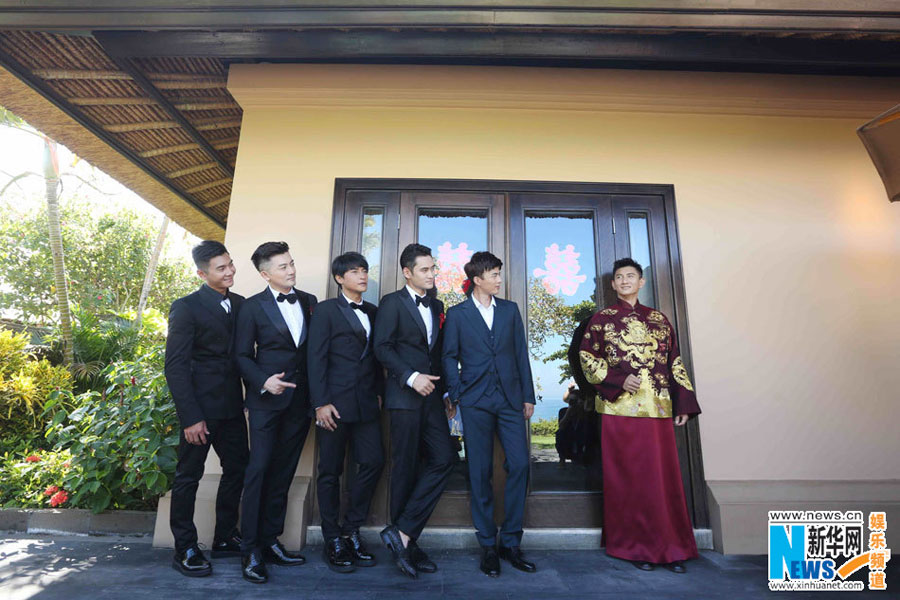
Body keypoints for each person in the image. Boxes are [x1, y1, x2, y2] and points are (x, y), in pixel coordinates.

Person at [579, 257, 701, 573]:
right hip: (620, 410)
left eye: (630, 276)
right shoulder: (601, 320)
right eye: (618, 277)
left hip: (658, 408)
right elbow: (586, 357)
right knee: (629, 480)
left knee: (662, 480)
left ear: (641, 282)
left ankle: (671, 547)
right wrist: (618, 379)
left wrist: (683, 403)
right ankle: (634, 547)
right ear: (612, 284)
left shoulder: (660, 320)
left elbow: (674, 361)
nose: (624, 281)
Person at [442, 251, 537, 578]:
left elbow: (521, 353)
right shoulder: (457, 314)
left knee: (520, 463)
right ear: (478, 279)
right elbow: (448, 356)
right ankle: (487, 545)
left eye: (499, 273)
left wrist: (528, 395)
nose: (499, 279)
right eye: (494, 274)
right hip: (475, 401)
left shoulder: (510, 311)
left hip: (510, 399)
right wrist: (456, 393)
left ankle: (511, 541)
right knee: (479, 471)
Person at [234, 241, 317, 584]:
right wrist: (264, 382)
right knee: (259, 472)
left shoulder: (310, 302)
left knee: (283, 473)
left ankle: (271, 540)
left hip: (299, 404)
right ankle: (250, 549)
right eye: (283, 267)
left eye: (292, 263)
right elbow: (241, 355)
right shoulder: (251, 308)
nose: (291, 270)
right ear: (265, 273)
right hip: (266, 402)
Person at [164, 240, 248, 577]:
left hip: (232, 407)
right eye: (220, 268)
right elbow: (176, 366)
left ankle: (225, 537)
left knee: (238, 469)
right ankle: (184, 546)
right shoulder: (186, 307)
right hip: (199, 410)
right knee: (188, 477)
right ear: (202, 273)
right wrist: (191, 417)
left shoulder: (242, 305)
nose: (229, 272)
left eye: (230, 264)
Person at [373, 243, 456, 579]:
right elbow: (382, 347)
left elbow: (439, 353)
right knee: (405, 468)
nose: (432, 274)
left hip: (434, 399)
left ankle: (403, 533)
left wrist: (448, 391)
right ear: (407, 272)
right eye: (425, 269)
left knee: (444, 458)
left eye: (433, 268)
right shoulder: (391, 303)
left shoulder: (438, 305)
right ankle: (407, 543)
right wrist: (410, 377)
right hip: (404, 397)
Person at [307, 252, 385, 573]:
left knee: (373, 461)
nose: (362, 276)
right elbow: (315, 358)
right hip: (333, 405)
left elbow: (377, 357)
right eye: (355, 271)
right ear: (340, 278)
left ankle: (352, 529)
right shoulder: (325, 310)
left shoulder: (374, 311)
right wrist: (320, 402)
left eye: (364, 271)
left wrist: (379, 393)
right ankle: (332, 538)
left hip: (367, 404)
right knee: (330, 471)